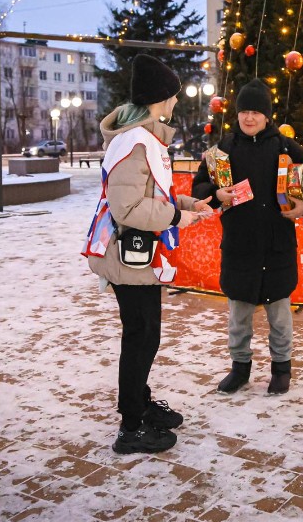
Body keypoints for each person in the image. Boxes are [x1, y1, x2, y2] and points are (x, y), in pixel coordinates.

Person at [84, 54, 213, 454]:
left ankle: (139, 405)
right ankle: (131, 426)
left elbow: (150, 193)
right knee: (141, 338)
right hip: (127, 254)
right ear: (162, 99)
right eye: (173, 96)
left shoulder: (145, 139)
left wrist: (188, 203)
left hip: (135, 253)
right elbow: (128, 209)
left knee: (144, 336)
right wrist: (177, 217)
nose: (176, 102)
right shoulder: (135, 142)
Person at [192, 78, 303, 395]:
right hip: (239, 247)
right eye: (244, 111)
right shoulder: (222, 149)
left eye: (256, 112)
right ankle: (240, 368)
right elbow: (199, 188)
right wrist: (216, 192)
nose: (249, 118)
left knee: (280, 318)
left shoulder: (287, 148)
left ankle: (281, 370)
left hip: (277, 248)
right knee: (238, 318)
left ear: (267, 115)